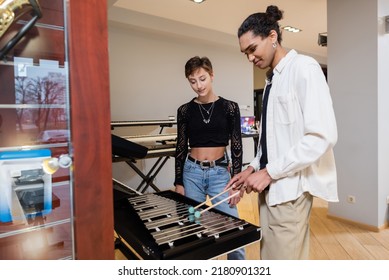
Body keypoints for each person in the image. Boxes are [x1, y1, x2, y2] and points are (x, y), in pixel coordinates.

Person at [225, 5, 338, 260]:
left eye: (252, 49)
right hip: (269, 191)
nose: (250, 58)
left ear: (273, 37)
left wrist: (269, 172)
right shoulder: (271, 81)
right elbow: (271, 142)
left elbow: (323, 135)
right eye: (245, 53)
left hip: (289, 193)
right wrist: (252, 168)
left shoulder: (304, 68)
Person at [174, 56, 245, 260]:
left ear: (212, 75)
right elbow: (180, 147)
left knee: (233, 230)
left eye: (202, 79)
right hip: (191, 175)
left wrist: (237, 183)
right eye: (193, 81)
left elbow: (237, 145)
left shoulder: (230, 107)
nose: (198, 85)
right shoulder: (185, 111)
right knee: (191, 230)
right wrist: (179, 182)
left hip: (220, 176)